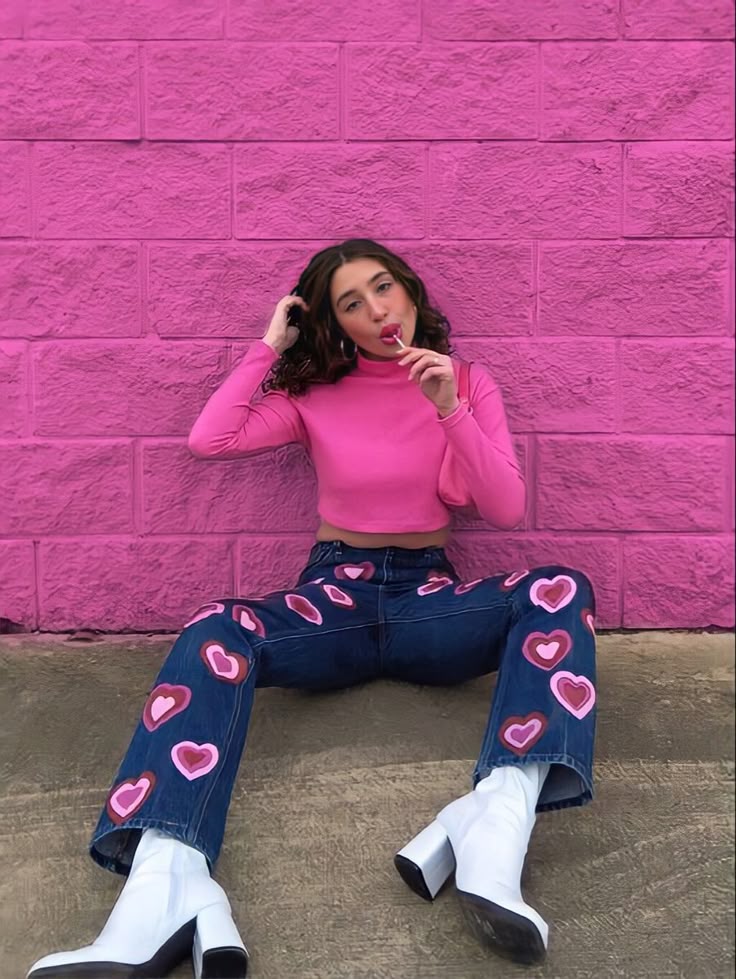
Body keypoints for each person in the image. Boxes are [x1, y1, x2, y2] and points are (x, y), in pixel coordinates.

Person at [27, 238, 597, 978]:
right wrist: (271, 346)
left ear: (411, 292)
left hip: (429, 599)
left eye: (384, 287)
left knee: (560, 588)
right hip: (334, 597)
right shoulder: (315, 394)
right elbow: (211, 438)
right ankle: (168, 879)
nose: (377, 309)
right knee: (216, 626)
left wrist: (449, 410)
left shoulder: (463, 381)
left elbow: (506, 507)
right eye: (351, 303)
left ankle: (495, 817)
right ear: (336, 323)